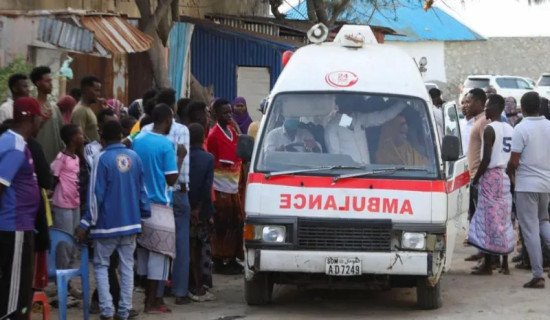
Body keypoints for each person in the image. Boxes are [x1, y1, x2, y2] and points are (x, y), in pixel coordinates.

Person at [76, 120, 151, 320]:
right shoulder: (134, 157)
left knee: (101, 266)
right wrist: (143, 214)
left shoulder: (101, 159)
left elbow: (95, 196)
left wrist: (85, 223)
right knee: (127, 268)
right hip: (131, 222)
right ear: (121, 135)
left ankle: (107, 310)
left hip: (106, 225)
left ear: (102, 138)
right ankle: (124, 311)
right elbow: (142, 190)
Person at [138, 89, 191, 305]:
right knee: (173, 246)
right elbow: (176, 176)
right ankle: (176, 292)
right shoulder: (178, 133)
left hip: (142, 198)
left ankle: (153, 293)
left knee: (147, 247)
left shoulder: (141, 134)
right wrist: (179, 158)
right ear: (171, 113)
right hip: (171, 195)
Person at [132, 104, 181, 313]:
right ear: (168, 120)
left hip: (139, 203)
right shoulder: (166, 145)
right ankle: (153, 300)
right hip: (160, 205)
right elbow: (171, 178)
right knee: (160, 255)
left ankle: (151, 299)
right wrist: (181, 156)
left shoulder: (138, 139)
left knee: (143, 252)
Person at [0, 97, 45, 320]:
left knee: (14, 287)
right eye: (40, 118)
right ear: (31, 118)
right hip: (14, 225)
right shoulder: (16, 147)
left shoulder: (11, 141)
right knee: (14, 293)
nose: (42, 123)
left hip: (18, 225)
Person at [467, 94, 514, 275]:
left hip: (490, 177)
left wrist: (476, 179)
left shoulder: (490, 129)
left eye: (487, 106)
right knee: (503, 219)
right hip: (504, 177)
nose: (485, 109)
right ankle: (505, 263)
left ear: (495, 108)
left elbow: (486, 159)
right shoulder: (510, 129)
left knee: (488, 221)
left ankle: (487, 265)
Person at [508, 91, 550, 289]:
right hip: (546, 184)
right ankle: (539, 271)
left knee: (530, 229)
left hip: (526, 185)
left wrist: (510, 174)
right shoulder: (549, 126)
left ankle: (538, 275)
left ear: (522, 108)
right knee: (543, 221)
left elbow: (514, 161)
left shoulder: (521, 128)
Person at [206, 99, 245, 274]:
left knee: (235, 222)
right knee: (223, 224)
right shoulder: (214, 135)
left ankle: (231, 257)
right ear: (216, 115)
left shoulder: (231, 131)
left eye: (230, 112)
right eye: (225, 113)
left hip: (233, 185)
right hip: (221, 186)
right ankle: (220, 259)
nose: (229, 116)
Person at [50, 124, 85, 298]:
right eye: (79, 133)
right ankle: (60, 285)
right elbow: (54, 178)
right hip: (62, 204)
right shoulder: (61, 158)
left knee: (72, 243)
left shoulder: (77, 158)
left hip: (74, 204)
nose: (82, 135)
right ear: (72, 138)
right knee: (63, 245)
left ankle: (68, 282)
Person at [325, 96, 406, 163]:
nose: (348, 103)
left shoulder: (360, 119)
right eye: (345, 100)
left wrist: (403, 103)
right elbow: (335, 158)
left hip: (367, 174)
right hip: (348, 177)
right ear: (338, 102)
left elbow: (383, 117)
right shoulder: (332, 127)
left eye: (349, 99)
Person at [188, 123, 216, 302]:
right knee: (202, 247)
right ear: (202, 139)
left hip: (186, 208)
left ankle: (191, 284)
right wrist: (199, 208)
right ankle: (201, 286)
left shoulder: (182, 156)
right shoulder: (208, 158)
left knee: (189, 248)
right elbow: (207, 187)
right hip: (203, 210)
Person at [31, 66, 64, 164]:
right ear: (38, 83)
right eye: (47, 81)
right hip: (38, 161)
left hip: (55, 163)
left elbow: (61, 134)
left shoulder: (55, 108)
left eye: (51, 81)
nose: (51, 84)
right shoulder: (32, 107)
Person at [71, 75, 103, 143]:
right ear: (86, 90)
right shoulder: (80, 110)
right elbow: (78, 138)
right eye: (96, 90)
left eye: (99, 91)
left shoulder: (87, 109)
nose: (98, 94)